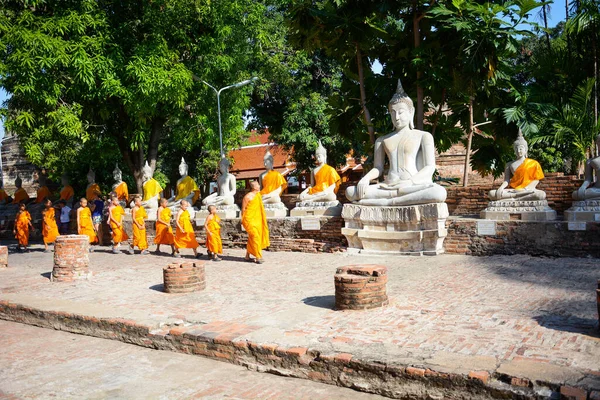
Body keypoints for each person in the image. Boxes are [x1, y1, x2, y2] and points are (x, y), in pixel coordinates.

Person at [241, 180, 269, 264]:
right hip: (249, 220)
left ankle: (247, 256)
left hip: (257, 220)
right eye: (258, 185)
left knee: (252, 238)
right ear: (254, 187)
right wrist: (242, 220)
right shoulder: (247, 197)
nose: (259, 186)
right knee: (255, 236)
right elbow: (243, 209)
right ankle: (258, 256)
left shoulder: (258, 195)